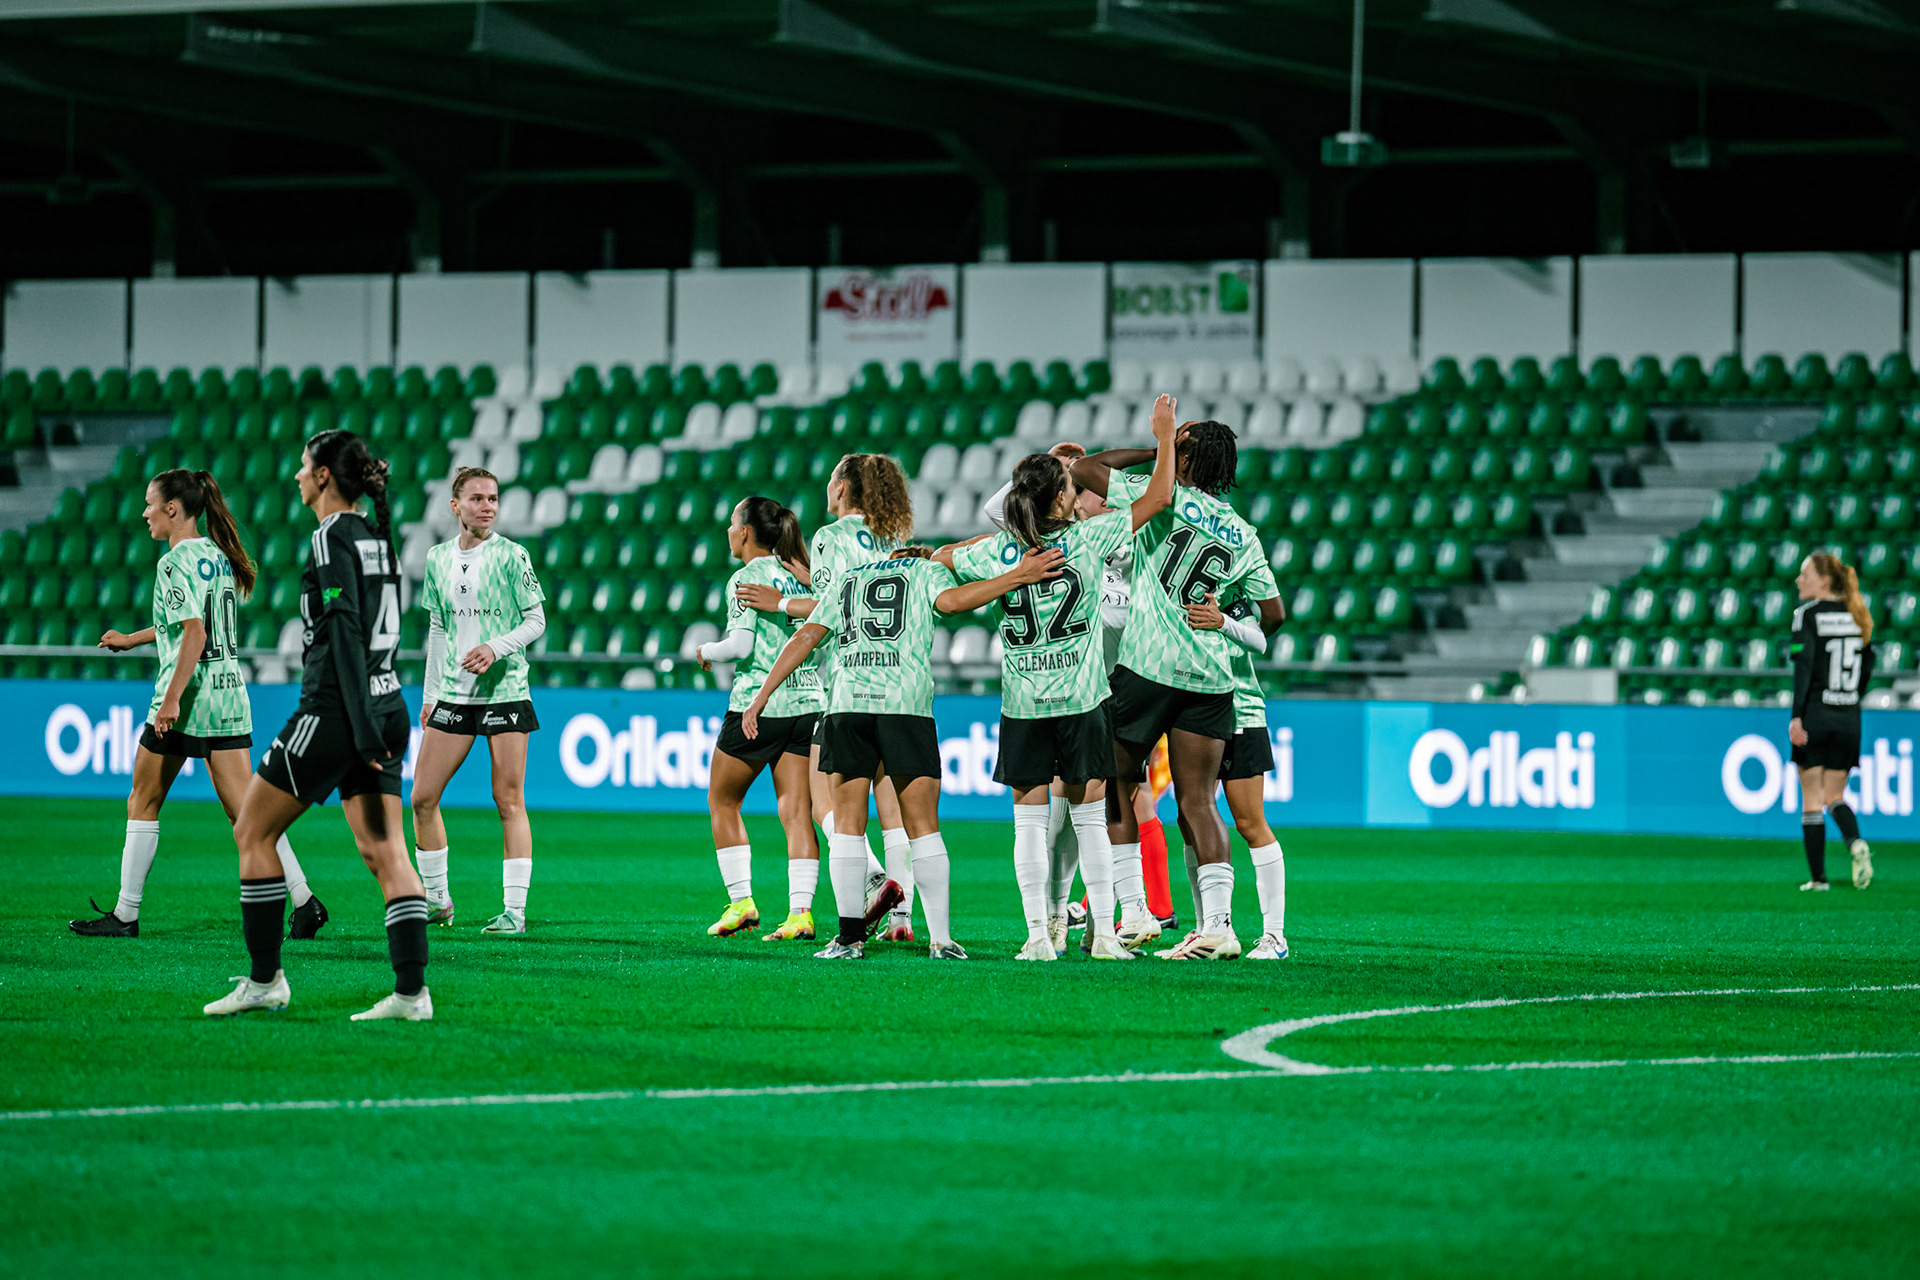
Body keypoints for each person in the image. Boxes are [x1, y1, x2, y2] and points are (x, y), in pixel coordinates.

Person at [740, 543, 1066, 960]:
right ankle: (941, 941)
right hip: (903, 707)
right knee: (923, 825)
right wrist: (1016, 576)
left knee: (848, 825)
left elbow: (806, 635)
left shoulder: (850, 577)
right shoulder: (925, 571)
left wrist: (761, 696)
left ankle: (848, 939)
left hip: (848, 705)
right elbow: (953, 602)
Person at [202, 430, 429, 1020]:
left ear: (325, 475)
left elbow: (347, 632)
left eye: (305, 466)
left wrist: (355, 729)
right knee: (386, 851)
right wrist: (375, 721)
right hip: (387, 701)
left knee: (252, 831)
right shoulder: (378, 538)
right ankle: (411, 994)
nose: (298, 476)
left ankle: (264, 980)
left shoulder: (331, 535)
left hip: (335, 710)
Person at [949, 395, 1178, 959]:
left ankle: (1037, 938)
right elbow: (1159, 496)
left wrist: (936, 554)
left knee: (1028, 826)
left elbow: (946, 565)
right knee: (1091, 819)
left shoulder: (1001, 551)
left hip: (1024, 704)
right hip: (1081, 700)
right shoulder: (1091, 538)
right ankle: (1103, 935)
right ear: (1062, 499)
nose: (1080, 494)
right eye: (1072, 488)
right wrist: (1165, 440)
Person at [72, 469, 327, 940]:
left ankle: (126, 914)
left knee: (143, 800)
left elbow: (194, 632)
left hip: (188, 697)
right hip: (229, 692)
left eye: (150, 504)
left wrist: (170, 701)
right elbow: (189, 623)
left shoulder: (172, 563)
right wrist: (133, 639)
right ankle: (305, 900)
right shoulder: (216, 554)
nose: (144, 512)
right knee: (247, 814)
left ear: (173, 509)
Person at [1073, 421, 1283, 960]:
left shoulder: (1156, 499)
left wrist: (1161, 443)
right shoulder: (1244, 532)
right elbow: (1274, 615)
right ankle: (1217, 927)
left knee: (1115, 777)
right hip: (1211, 677)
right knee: (1198, 801)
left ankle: (1137, 912)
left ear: (1185, 459)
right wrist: (1225, 619)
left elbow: (1085, 468)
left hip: (1147, 666)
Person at [736, 453, 915, 939]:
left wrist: (783, 601)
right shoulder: (892, 539)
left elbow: (832, 609)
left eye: (832, 475)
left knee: (827, 805)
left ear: (842, 489)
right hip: (897, 682)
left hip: (847, 681)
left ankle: (873, 886)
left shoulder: (831, 536)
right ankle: (901, 921)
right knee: (892, 806)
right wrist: (808, 576)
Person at [409, 466, 547, 935]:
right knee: (422, 797)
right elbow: (438, 628)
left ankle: (515, 912)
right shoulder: (437, 558)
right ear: (456, 506)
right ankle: (437, 900)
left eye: (493, 498)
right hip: (453, 693)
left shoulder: (512, 556)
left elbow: (536, 620)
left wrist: (495, 647)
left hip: (505, 690)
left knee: (508, 800)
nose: (487, 506)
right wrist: (430, 696)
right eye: (477, 498)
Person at [698, 496, 826, 942]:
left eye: (733, 523)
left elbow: (741, 647)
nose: (729, 531)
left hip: (760, 703)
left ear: (746, 531)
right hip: (808, 702)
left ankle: (742, 903)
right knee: (797, 812)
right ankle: (800, 915)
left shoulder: (746, 577)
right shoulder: (797, 574)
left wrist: (704, 651)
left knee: (723, 800)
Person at [1185, 587, 1288, 959]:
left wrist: (1222, 620)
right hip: (1195, 720)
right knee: (1190, 818)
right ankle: (1206, 929)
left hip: (1240, 716)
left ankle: (1275, 937)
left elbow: (1259, 640)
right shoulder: (1174, 590)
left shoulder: (1233, 596)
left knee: (1249, 823)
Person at [1789, 551, 1875, 892]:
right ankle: (1854, 842)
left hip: (1816, 713)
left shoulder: (1806, 615)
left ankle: (1819, 879)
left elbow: (1803, 669)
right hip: (1848, 716)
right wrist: (1849, 698)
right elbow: (1867, 667)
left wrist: (1797, 715)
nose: (1799, 580)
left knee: (1812, 797)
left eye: (1805, 574)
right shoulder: (1857, 614)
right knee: (1835, 795)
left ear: (1824, 580)